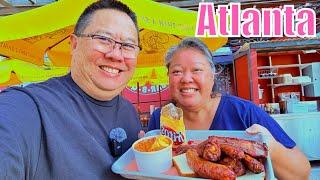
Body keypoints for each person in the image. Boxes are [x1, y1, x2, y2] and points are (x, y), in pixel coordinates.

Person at [0, 0, 143, 179]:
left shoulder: (128, 111)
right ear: (74, 44)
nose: (116, 54)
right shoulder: (28, 106)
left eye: (128, 46)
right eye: (104, 39)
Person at [148, 37, 311, 179]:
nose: (186, 79)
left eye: (197, 70)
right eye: (176, 71)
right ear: (168, 77)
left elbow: (301, 174)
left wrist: (268, 144)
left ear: (212, 76)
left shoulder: (244, 113)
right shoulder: (159, 118)